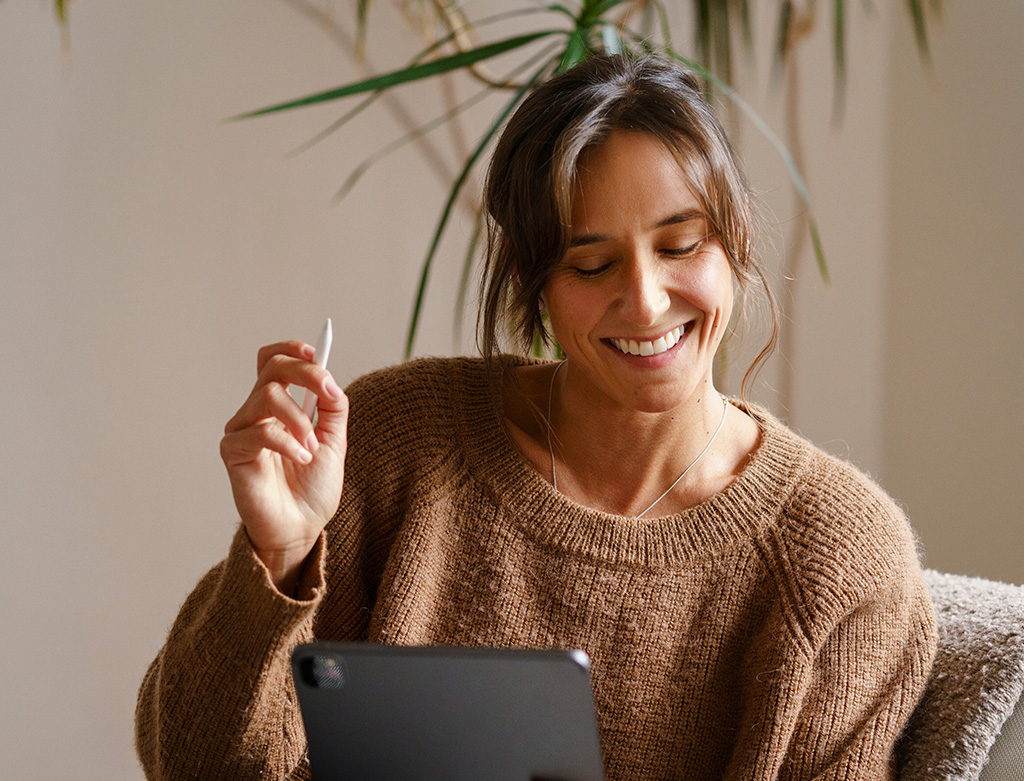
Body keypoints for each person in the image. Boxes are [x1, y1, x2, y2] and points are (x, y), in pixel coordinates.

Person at [135, 53, 937, 779]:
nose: (647, 300)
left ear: (735, 246)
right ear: (535, 286)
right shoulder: (395, 445)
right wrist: (280, 554)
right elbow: (192, 765)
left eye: (682, 244)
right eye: (593, 264)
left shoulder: (839, 558)